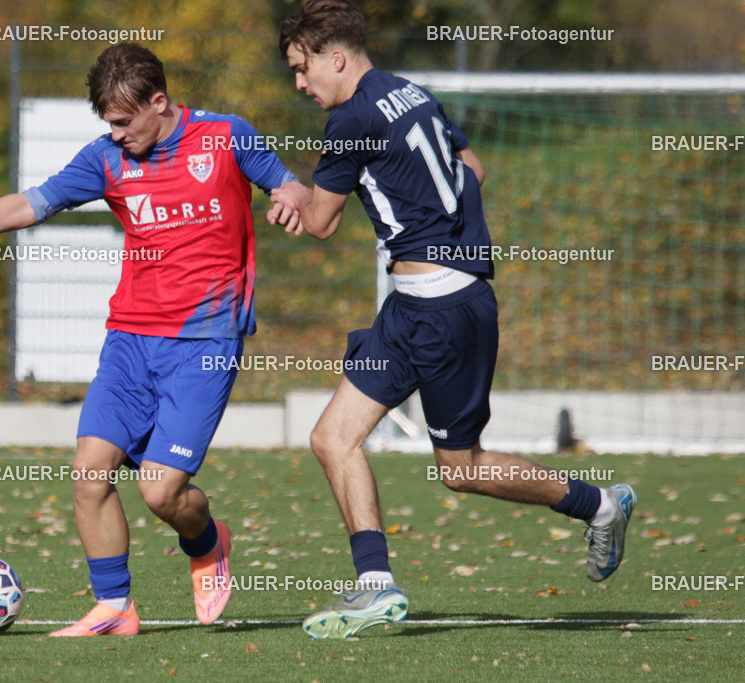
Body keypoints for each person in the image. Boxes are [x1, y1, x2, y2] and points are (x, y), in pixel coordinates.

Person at [0, 42, 304, 636]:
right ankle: (115, 607)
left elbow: (289, 188)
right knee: (89, 474)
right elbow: (32, 203)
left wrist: (290, 196)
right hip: (129, 341)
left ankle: (209, 541)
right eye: (106, 123)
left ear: (158, 102)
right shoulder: (107, 159)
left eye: (123, 120)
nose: (114, 134)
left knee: (162, 493)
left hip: (205, 343)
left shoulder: (226, 136)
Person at [270, 0, 636, 639]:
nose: (301, 85)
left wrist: (291, 195)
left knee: (460, 468)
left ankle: (600, 504)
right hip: (426, 305)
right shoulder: (413, 91)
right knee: (333, 438)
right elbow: (474, 168)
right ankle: (375, 585)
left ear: (336, 56)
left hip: (438, 312)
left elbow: (322, 223)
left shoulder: (351, 119)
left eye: (303, 70)